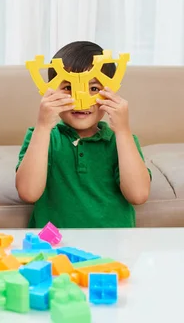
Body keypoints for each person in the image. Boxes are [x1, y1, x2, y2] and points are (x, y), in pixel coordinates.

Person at [15, 41, 151, 228]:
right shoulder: (40, 136)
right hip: (53, 247)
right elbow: (28, 193)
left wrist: (123, 131)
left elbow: (139, 194)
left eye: (94, 89)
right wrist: (43, 127)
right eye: (68, 88)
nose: (80, 99)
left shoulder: (121, 141)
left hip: (113, 247)